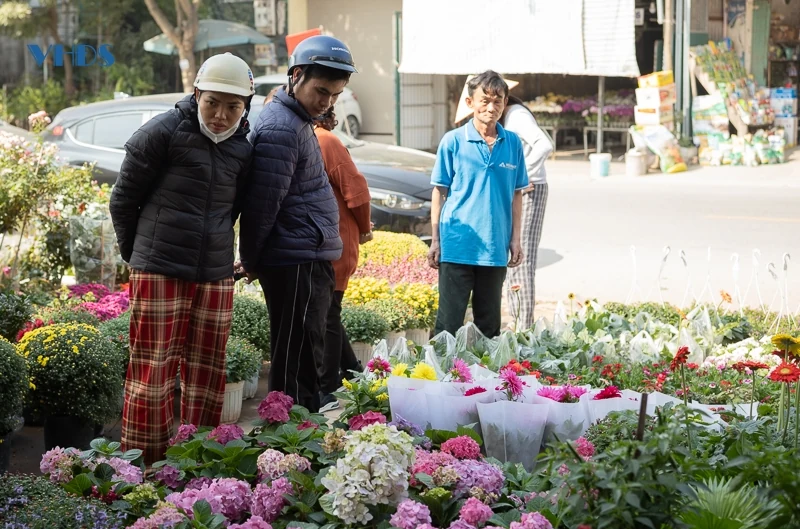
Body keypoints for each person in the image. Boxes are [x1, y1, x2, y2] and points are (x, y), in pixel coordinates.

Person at [109, 53, 255, 465]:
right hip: (158, 269)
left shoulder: (242, 149)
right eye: (213, 102)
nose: (221, 115)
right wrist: (138, 257)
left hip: (214, 273)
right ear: (196, 95)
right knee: (152, 373)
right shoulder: (162, 131)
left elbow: (236, 209)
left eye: (233, 106)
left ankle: (197, 463)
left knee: (208, 373)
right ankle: (143, 466)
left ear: (246, 107)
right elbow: (123, 200)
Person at [237, 35, 357, 413]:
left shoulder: (296, 118)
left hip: (304, 255)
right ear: (296, 75)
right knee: (296, 359)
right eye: (321, 91)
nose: (327, 102)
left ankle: (297, 433)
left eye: (335, 95)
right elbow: (261, 206)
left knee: (306, 353)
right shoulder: (281, 129)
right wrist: (252, 261)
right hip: (295, 260)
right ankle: (288, 436)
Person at [428, 70, 528, 338]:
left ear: (505, 103)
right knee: (447, 327)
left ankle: (487, 379)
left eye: (498, 101)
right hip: (456, 246)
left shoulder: (513, 143)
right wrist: (436, 240)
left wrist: (515, 239)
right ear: (470, 103)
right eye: (485, 101)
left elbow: (517, 193)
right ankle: (437, 377)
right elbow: (439, 192)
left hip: (494, 249)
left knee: (489, 328)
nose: (491, 108)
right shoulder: (453, 141)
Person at [313, 108, 373, 412]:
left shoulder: (324, 141)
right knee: (329, 314)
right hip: (327, 242)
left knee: (327, 317)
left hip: (334, 243)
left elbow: (358, 193)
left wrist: (364, 229)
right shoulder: (312, 139)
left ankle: (328, 387)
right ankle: (352, 371)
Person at [501, 95, 553, 329]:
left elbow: (544, 144)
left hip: (529, 189)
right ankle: (516, 323)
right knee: (512, 259)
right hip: (517, 189)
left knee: (522, 258)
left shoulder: (516, 115)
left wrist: (523, 176)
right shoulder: (507, 117)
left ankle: (524, 329)